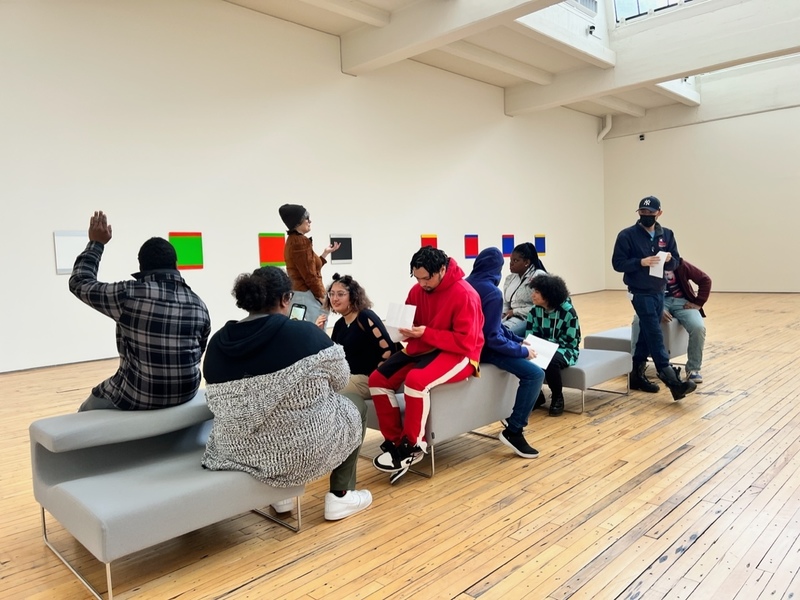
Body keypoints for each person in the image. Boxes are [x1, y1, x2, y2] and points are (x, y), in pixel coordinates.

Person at [201, 267, 372, 521]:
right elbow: (340, 380)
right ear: (285, 299)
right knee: (354, 404)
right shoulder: (305, 334)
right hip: (299, 448)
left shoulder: (217, 343)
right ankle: (341, 495)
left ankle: (279, 495)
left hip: (237, 449)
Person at [69, 211, 211, 411]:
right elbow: (198, 352)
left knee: (86, 409)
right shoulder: (199, 304)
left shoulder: (128, 295)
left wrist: (96, 243)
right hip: (186, 392)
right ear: (175, 265)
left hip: (138, 395)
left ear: (141, 267)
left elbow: (79, 282)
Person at [368, 246, 484, 481]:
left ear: (442, 269)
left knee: (416, 381)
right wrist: (403, 331)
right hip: (424, 345)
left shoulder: (465, 294)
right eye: (417, 277)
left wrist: (426, 333)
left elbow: (466, 341)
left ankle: (413, 446)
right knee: (377, 380)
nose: (421, 283)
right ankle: (395, 440)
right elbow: (412, 323)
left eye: (426, 278)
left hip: (462, 353)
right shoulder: (417, 290)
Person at [612, 196, 696, 401]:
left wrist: (669, 260)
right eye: (642, 212)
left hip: (659, 291)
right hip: (640, 292)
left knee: (645, 335)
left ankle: (636, 375)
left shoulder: (667, 235)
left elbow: (676, 261)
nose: (646, 216)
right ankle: (673, 382)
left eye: (650, 213)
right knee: (654, 332)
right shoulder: (626, 235)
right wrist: (640, 262)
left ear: (659, 213)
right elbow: (618, 263)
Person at [466, 248, 545, 458]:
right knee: (535, 374)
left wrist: (518, 340)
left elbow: (494, 327)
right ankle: (514, 430)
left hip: (470, 346)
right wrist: (521, 351)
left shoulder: (466, 283)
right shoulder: (491, 292)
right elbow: (492, 337)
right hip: (483, 350)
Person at [315, 273, 398, 399]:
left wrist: (375, 377)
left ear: (353, 296)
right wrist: (319, 333)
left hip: (366, 379)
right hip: (346, 377)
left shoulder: (365, 317)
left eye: (340, 294)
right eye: (331, 294)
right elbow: (332, 356)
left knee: (326, 394)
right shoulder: (339, 324)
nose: (334, 298)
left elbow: (388, 350)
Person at [631, 258, 711, 383]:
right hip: (658, 301)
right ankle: (636, 366)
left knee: (698, 327)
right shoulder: (648, 264)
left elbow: (705, 280)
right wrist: (658, 308)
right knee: (637, 321)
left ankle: (693, 368)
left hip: (682, 303)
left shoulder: (680, 264)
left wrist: (698, 302)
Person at [526, 273, 581, 416]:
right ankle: (537, 395)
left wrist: (547, 345)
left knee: (551, 361)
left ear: (548, 295)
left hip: (565, 349)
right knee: (524, 357)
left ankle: (557, 396)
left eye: (537, 292)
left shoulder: (568, 311)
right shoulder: (534, 311)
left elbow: (572, 339)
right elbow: (530, 335)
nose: (533, 295)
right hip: (542, 347)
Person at [279, 203, 340, 324]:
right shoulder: (300, 242)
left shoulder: (293, 240)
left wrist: (325, 254)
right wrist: (322, 298)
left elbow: (310, 267)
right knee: (316, 334)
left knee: (302, 332)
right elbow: (310, 275)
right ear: (298, 222)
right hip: (307, 297)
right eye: (307, 218)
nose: (310, 221)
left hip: (300, 295)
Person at [502, 242, 547, 336]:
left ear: (526, 262)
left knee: (502, 334)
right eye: (510, 260)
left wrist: (514, 312)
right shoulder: (510, 278)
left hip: (528, 318)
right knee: (489, 331)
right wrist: (502, 314)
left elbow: (542, 307)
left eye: (515, 261)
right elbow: (506, 303)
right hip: (509, 317)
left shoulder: (538, 276)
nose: (511, 264)